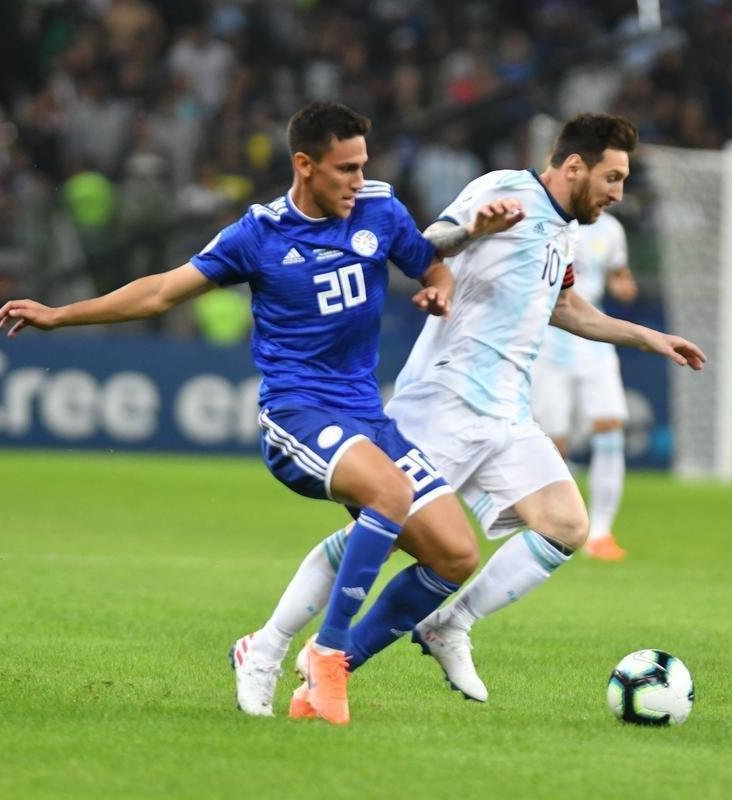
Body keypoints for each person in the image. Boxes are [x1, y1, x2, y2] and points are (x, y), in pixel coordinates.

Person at [0, 101, 522, 725]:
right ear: (304, 165)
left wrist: (440, 287)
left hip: (365, 415)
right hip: (296, 411)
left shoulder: (380, 208)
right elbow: (162, 290)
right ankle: (327, 655)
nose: (358, 180)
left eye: (362, 166)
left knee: (455, 555)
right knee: (389, 492)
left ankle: (263, 647)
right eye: (344, 169)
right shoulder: (259, 234)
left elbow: (429, 263)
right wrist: (60, 314)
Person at [249, 113, 705, 709]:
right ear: (574, 167)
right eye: (612, 177)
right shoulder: (503, 190)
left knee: (567, 526)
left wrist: (650, 337)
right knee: (377, 539)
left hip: (505, 413)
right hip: (444, 401)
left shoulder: (562, 229)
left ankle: (445, 626)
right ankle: (269, 643)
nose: (618, 193)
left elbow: (566, 307)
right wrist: (475, 231)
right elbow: (422, 245)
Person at [529, 209, 637, 561]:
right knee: (554, 442)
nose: (613, 193)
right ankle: (556, 524)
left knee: (610, 427)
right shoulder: (545, 220)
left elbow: (620, 275)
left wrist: (623, 286)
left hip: (595, 341)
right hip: (549, 343)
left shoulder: (611, 229)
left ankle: (602, 532)